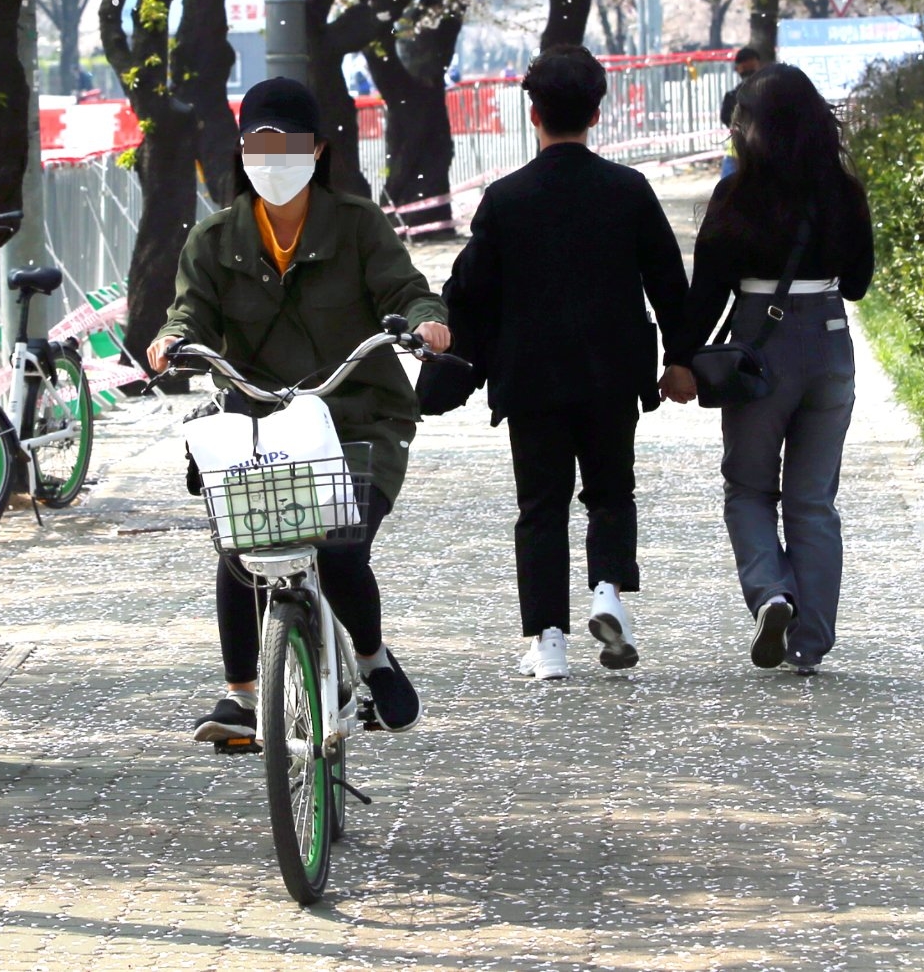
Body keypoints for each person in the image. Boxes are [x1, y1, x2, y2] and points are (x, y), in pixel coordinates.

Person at [146, 77, 450, 747]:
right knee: (240, 544)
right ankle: (240, 696)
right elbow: (190, 309)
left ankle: (372, 659)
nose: (273, 158)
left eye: (287, 144)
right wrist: (172, 338)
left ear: (316, 150)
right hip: (260, 422)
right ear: (242, 151)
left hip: (359, 417)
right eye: (260, 144)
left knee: (340, 543)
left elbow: (406, 289)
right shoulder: (214, 239)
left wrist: (425, 321)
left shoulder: (357, 225)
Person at [440, 47, 693, 679]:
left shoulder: (505, 199)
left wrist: (453, 356)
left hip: (531, 378)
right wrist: (681, 359)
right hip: (613, 372)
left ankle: (548, 642)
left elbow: (470, 290)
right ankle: (608, 592)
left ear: (533, 114)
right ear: (597, 113)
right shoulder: (629, 191)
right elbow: (669, 284)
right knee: (611, 492)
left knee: (541, 507)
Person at [669, 62, 874, 674]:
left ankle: (772, 594)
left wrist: (678, 360)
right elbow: (858, 284)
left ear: (749, 129)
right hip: (830, 344)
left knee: (750, 488)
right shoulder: (844, 192)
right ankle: (810, 644)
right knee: (813, 501)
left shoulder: (736, 196)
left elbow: (707, 294)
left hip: (761, 350)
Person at [718, 43, 767, 178]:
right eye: (745, 70)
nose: (749, 75)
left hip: (755, 153)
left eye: (751, 70)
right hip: (738, 154)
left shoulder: (770, 95)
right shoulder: (732, 96)